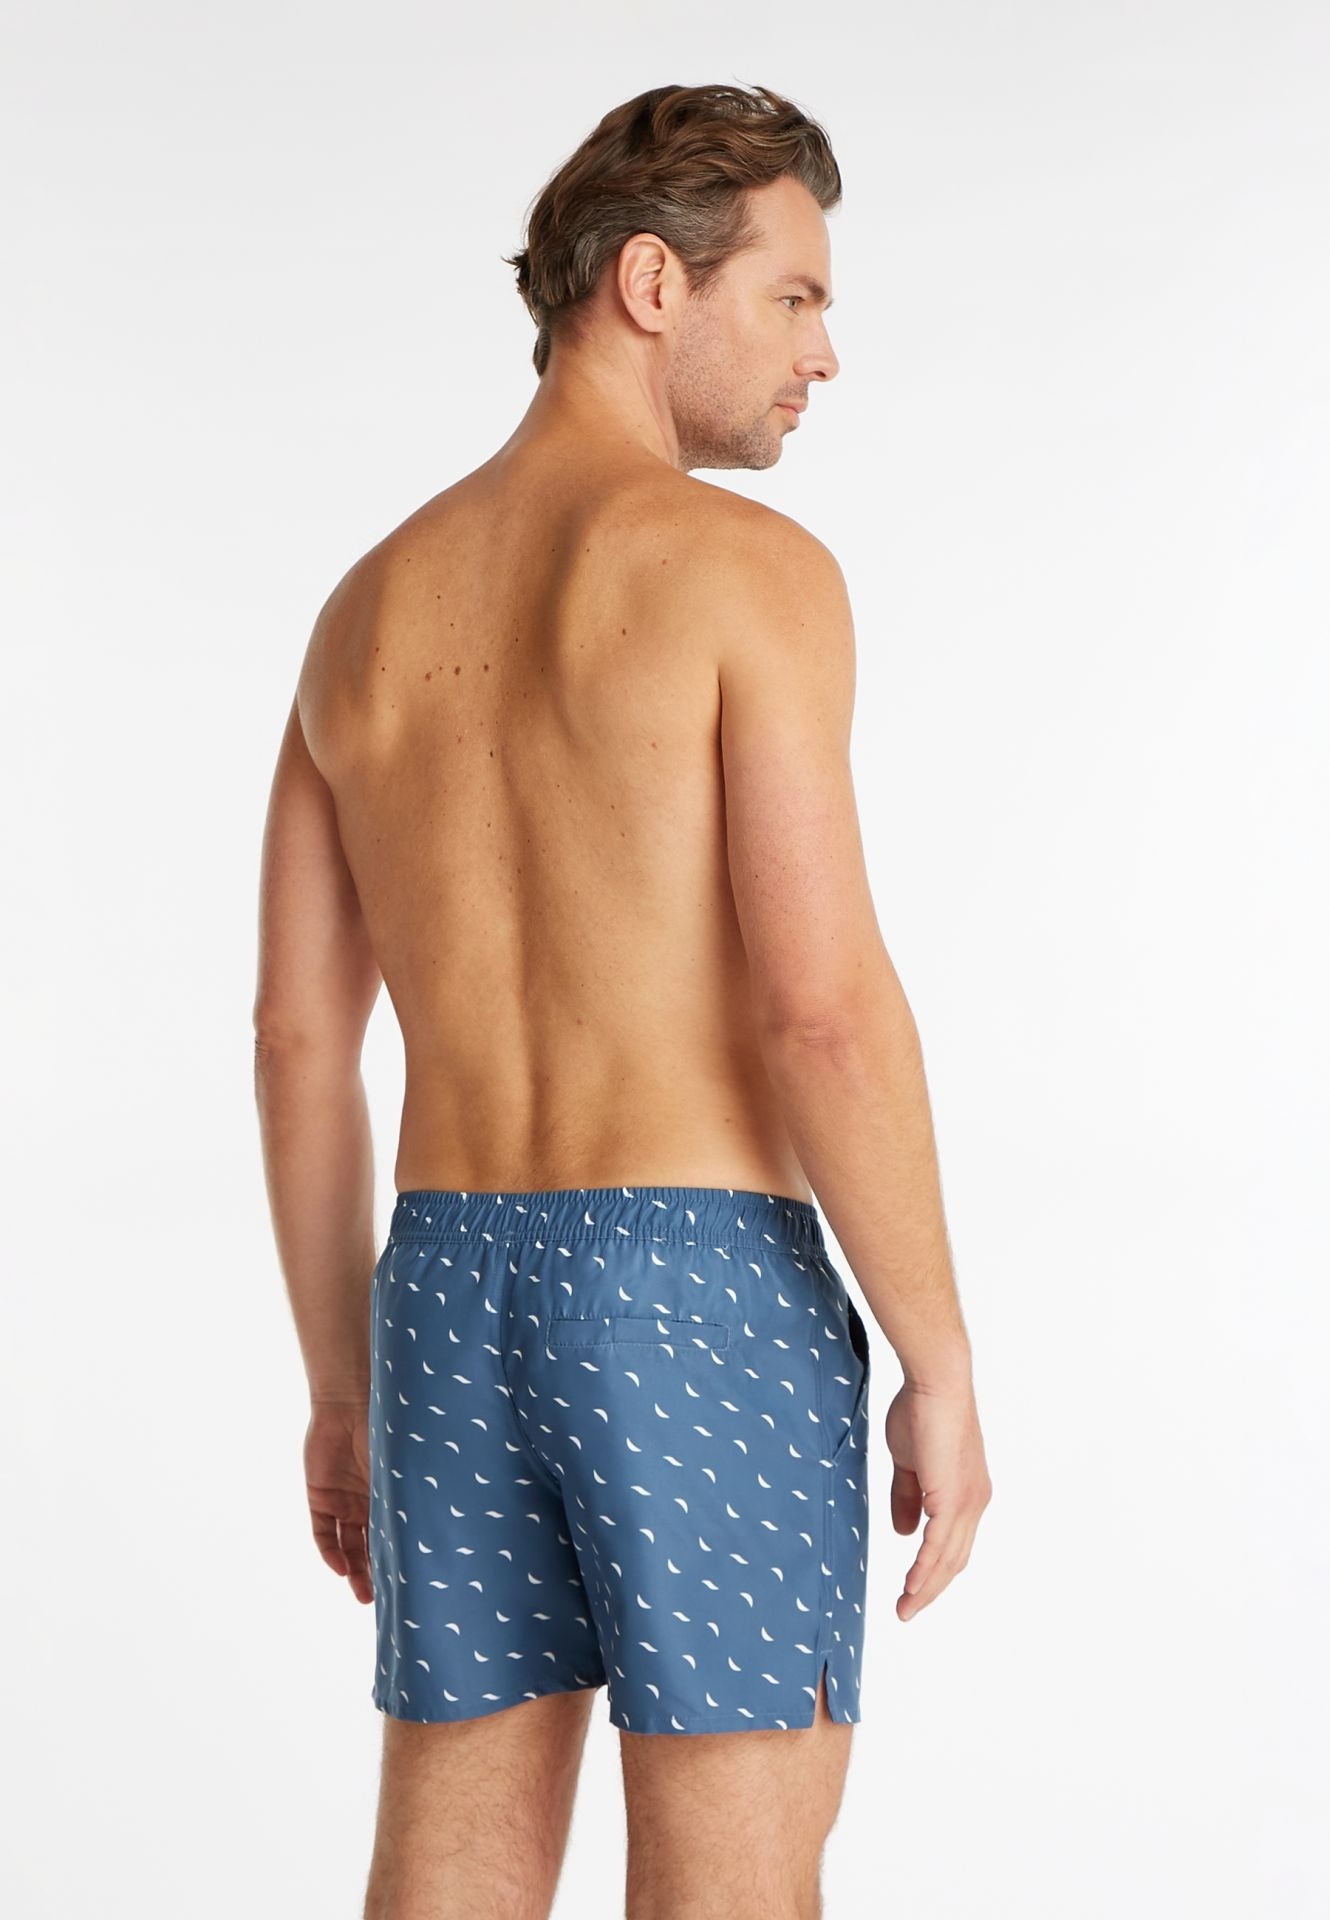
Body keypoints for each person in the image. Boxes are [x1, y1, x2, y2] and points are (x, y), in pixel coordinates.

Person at [253, 79, 991, 1920]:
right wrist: (939, 1358)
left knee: (447, 1855)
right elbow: (820, 1010)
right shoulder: (745, 574)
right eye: (794, 297)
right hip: (692, 1286)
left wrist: (338, 1385)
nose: (823, 354)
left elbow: (295, 1043)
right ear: (653, 284)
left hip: (442, 1287)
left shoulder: (362, 613)